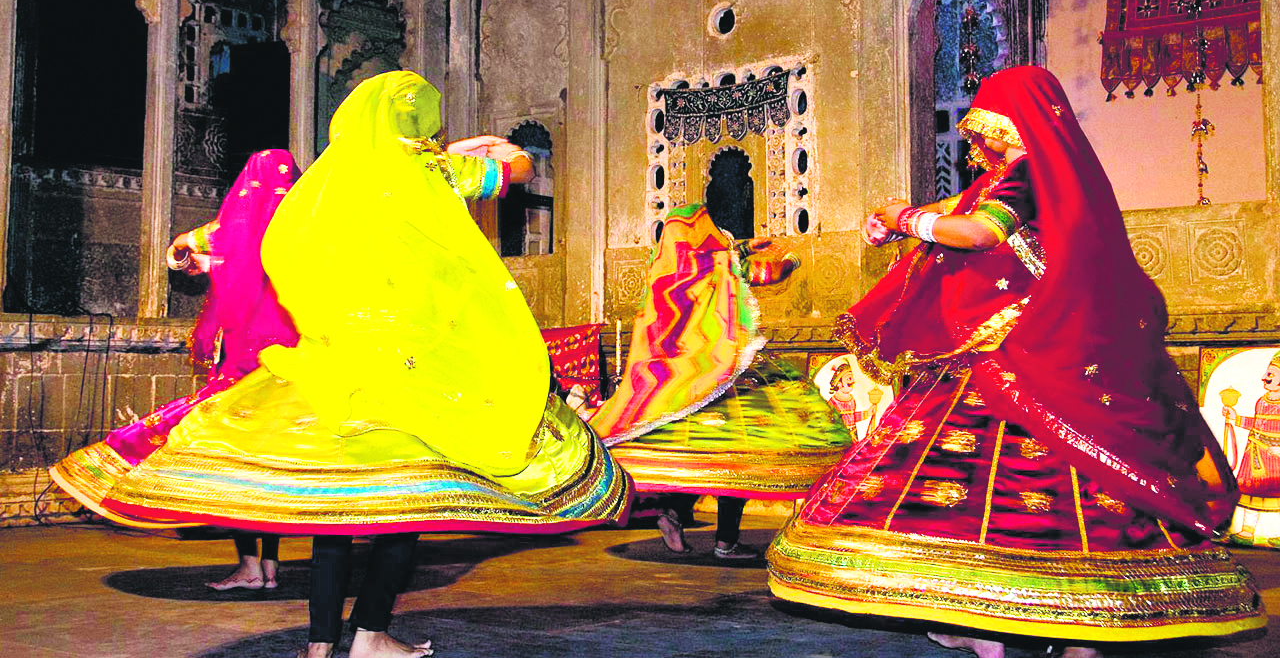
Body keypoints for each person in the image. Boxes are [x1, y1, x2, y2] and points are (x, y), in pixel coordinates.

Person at [55, 72, 632, 658]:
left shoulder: (330, 183)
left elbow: (255, 239)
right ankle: (372, 636)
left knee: (338, 516)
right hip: (411, 367)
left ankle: (320, 645)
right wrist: (492, 151)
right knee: (404, 509)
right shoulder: (427, 172)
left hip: (334, 366)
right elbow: (517, 172)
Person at [767, 66, 1264, 656]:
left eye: (986, 123)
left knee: (974, 484)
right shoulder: (1050, 176)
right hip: (1051, 346)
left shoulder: (1024, 173)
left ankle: (983, 626)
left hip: (1010, 349)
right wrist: (909, 222)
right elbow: (960, 211)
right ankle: (1079, 628)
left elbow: (979, 233)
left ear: (1017, 120)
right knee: (1075, 480)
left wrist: (906, 219)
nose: (978, 139)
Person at [51, 149, 300, 590]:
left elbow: (180, 255)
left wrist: (198, 250)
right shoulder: (304, 226)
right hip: (288, 366)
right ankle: (271, 567)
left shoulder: (231, 231)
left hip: (241, 367)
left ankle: (250, 567)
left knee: (233, 468)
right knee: (267, 469)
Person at [588, 203, 851, 559]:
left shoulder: (668, 269)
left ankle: (674, 513)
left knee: (700, 450)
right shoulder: (719, 262)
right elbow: (762, 274)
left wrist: (742, 247)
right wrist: (792, 260)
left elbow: (719, 260)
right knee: (740, 454)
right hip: (728, 375)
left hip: (686, 380)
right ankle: (726, 541)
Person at [1222, 354, 1280, 546]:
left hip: (1275, 456)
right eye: (1266, 372)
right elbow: (1256, 423)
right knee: (1252, 493)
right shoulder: (1261, 401)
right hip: (1255, 453)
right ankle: (1247, 533)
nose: (1265, 377)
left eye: (1271, 373)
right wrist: (1235, 418)